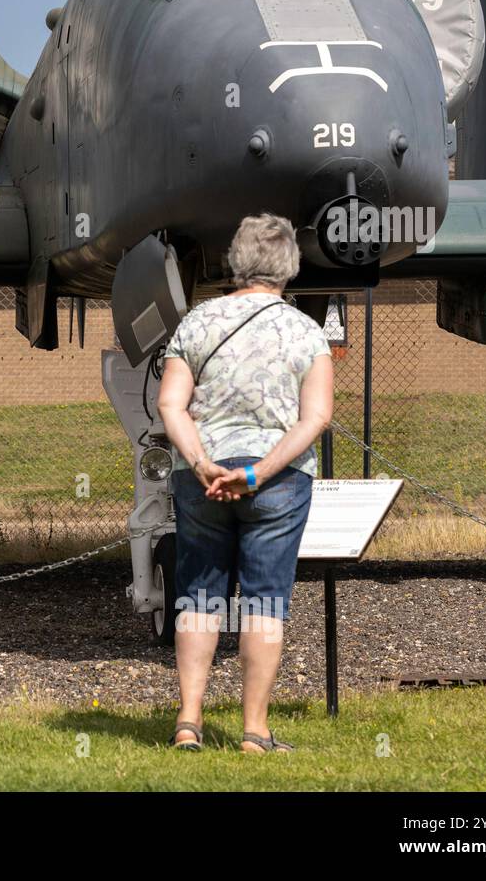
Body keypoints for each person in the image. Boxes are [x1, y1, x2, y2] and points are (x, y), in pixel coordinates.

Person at [156, 214, 333, 753]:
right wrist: (256, 472)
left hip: (201, 478)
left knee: (199, 596)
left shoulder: (196, 322)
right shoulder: (307, 332)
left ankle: (189, 722)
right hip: (276, 483)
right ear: (290, 268)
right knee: (264, 602)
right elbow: (316, 417)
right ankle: (254, 730)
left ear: (235, 262)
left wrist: (204, 462)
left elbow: (170, 403)